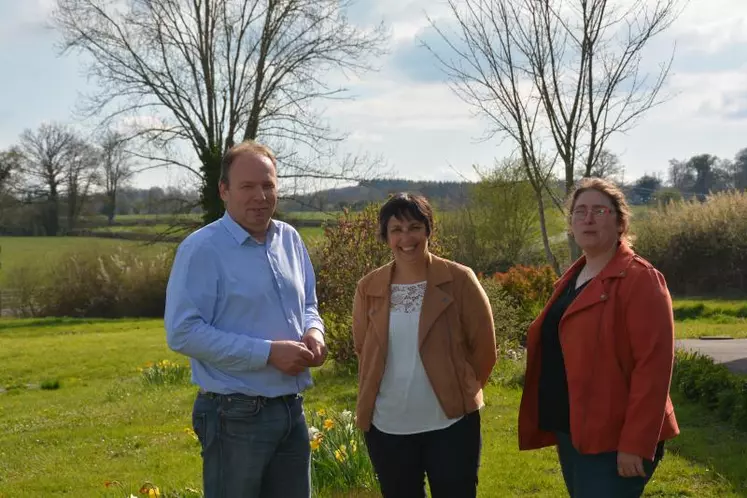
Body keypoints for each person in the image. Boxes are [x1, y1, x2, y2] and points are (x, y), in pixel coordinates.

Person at [164, 140, 327, 498]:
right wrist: (269, 353)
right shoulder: (202, 249)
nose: (260, 196)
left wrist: (314, 331)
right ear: (224, 190)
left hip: (291, 410)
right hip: (233, 416)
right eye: (248, 186)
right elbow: (182, 332)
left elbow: (309, 304)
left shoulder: (290, 239)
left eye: (268, 185)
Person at [518, 177, 680, 497]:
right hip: (576, 431)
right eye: (580, 212)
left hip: (616, 439)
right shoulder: (573, 278)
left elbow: (654, 367)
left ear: (620, 223)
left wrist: (635, 442)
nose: (588, 219)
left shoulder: (641, 278)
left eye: (599, 211)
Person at [351, 193, 497, 498]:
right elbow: (363, 349)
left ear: (429, 230)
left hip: (451, 424)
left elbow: (484, 349)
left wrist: (461, 390)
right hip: (387, 426)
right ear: (386, 236)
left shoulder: (459, 280)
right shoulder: (368, 288)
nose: (406, 238)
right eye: (396, 230)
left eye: (414, 227)